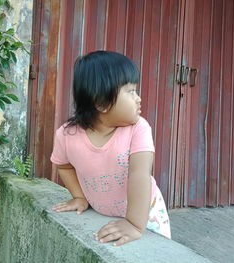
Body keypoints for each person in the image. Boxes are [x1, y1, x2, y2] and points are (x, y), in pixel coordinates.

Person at [50, 50, 171, 246]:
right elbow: (63, 165)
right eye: (130, 91)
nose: (138, 98)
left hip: (146, 214)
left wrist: (134, 223)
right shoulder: (66, 135)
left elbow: (140, 175)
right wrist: (79, 196)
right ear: (102, 102)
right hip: (103, 214)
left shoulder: (139, 129)